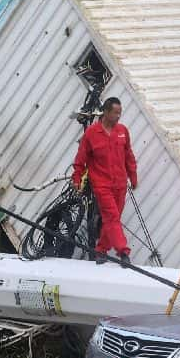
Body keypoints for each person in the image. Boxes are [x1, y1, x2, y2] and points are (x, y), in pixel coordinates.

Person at [72, 97, 138, 263]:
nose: (118, 116)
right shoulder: (92, 134)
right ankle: (123, 252)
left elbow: (129, 156)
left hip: (120, 184)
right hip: (102, 184)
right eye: (115, 113)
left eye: (120, 113)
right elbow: (81, 158)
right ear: (106, 112)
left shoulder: (122, 131)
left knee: (112, 220)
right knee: (112, 217)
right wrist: (77, 177)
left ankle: (101, 250)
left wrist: (133, 176)